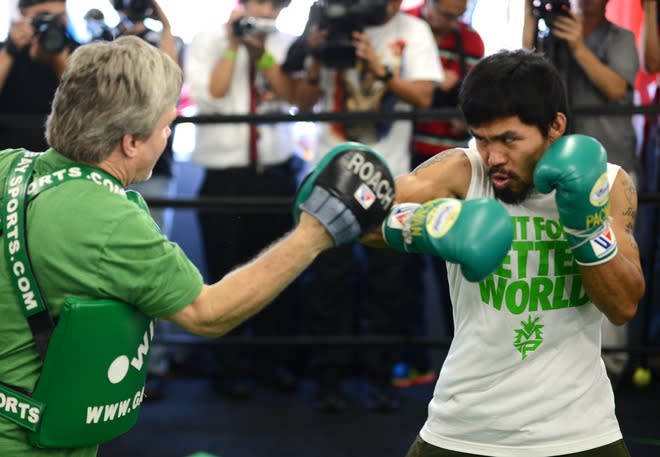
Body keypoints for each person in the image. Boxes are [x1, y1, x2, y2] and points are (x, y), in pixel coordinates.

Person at [0, 35, 394, 456]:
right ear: (131, 141)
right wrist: (313, 235)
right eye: (166, 124)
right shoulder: (113, 221)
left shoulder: (9, 166)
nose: (168, 135)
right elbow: (209, 313)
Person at [363, 48, 645, 457]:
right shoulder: (463, 171)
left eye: (509, 139)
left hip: (581, 431)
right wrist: (424, 226)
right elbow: (360, 216)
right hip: (463, 429)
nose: (494, 157)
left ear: (555, 127)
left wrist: (586, 228)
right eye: (482, 138)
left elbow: (623, 304)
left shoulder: (607, 184)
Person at [286, 0, 443, 413]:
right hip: (330, 176)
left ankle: (379, 377)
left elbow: (426, 94)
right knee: (327, 283)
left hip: (392, 180)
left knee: (388, 284)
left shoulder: (412, 30)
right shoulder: (329, 20)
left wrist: (381, 70)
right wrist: (316, 56)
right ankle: (329, 379)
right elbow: (301, 103)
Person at [185, 0, 305, 399]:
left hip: (276, 172)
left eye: (275, 5)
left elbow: (295, 98)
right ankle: (229, 367)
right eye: (260, 2)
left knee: (277, 272)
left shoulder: (284, 43)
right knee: (225, 273)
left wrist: (262, 53)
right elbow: (213, 96)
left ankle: (276, 364)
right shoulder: (207, 39)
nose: (267, 11)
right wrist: (235, 45)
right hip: (225, 177)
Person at [523, 0, 640, 384]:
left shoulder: (619, 37)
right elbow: (524, 70)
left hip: (611, 165)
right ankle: (559, 357)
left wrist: (578, 48)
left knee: (610, 258)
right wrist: (529, 14)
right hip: (557, 168)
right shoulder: (553, 32)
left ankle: (611, 363)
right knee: (558, 264)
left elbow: (616, 87)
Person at [392, 0, 485, 388]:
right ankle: (408, 362)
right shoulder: (402, 26)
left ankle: (460, 364)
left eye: (457, 14)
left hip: (452, 166)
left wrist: (454, 92)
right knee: (403, 268)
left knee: (452, 268)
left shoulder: (471, 40)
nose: (451, 21)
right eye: (445, 13)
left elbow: (480, 105)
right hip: (407, 159)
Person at [113, 0, 185, 401]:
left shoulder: (163, 42)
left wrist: (166, 26)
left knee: (154, 267)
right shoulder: (100, 41)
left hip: (153, 170)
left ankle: (153, 363)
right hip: (106, 164)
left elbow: (170, 87)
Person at [0, 0, 76, 151]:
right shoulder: (6, 52)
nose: (52, 25)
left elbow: (87, 104)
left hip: (61, 150)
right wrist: (11, 50)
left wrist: (58, 60)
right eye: (45, 17)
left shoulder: (77, 52)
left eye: (59, 17)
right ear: (23, 13)